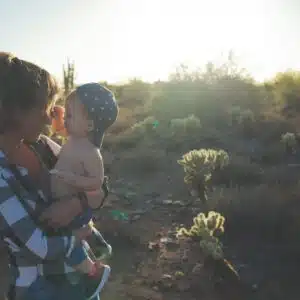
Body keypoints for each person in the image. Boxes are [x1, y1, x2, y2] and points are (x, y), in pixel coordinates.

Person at [0, 52, 108, 300]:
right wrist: (76, 236)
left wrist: (77, 202)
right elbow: (36, 246)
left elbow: (100, 184)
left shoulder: (44, 146)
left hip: (80, 280)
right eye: (43, 108)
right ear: (13, 111)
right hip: (42, 290)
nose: (51, 116)